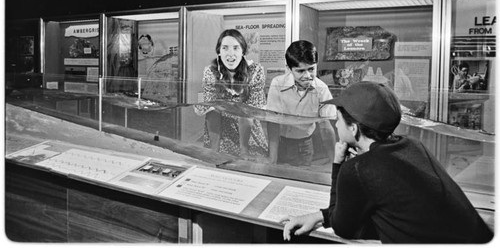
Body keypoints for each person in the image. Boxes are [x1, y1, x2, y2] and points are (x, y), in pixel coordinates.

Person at [281, 81, 493, 243]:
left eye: (338, 119)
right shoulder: (412, 146)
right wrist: (319, 216)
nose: (336, 125)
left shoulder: (356, 169)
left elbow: (343, 228)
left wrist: (338, 163)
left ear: (354, 128)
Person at [194, 29, 268, 159]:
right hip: (220, 134)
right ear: (219, 51)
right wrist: (214, 151)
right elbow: (212, 111)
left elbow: (249, 111)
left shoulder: (256, 71)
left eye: (235, 48)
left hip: (249, 135)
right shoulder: (210, 72)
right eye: (225, 48)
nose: (230, 54)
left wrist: (244, 151)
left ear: (243, 51)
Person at [266, 40, 336, 166]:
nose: (307, 75)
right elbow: (272, 124)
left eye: (311, 69)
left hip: (306, 145)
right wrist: (272, 159)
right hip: (281, 143)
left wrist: (334, 162)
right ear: (289, 69)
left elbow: (326, 127)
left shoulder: (322, 89)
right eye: (300, 71)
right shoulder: (277, 83)